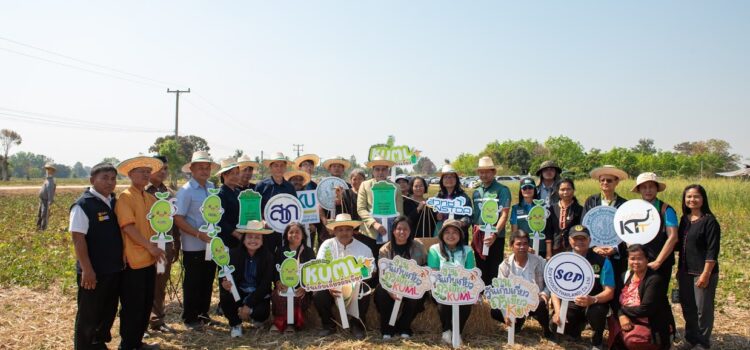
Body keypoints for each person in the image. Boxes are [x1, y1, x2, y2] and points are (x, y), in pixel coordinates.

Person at [114, 156, 166, 350]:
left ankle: (138, 342)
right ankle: (127, 345)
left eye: (147, 171)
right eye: (140, 171)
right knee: (132, 306)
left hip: (149, 260)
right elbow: (128, 227)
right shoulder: (125, 197)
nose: (145, 175)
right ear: (130, 175)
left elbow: (159, 224)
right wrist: (150, 246)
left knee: (145, 304)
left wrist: (159, 245)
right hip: (134, 260)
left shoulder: (151, 198)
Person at [70, 163, 122, 350]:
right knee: (88, 314)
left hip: (113, 269)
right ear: (92, 180)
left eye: (113, 178)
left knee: (108, 311)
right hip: (94, 272)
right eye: (104, 178)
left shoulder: (114, 202)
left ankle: (98, 343)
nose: (110, 182)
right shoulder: (83, 205)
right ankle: (84, 346)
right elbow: (78, 238)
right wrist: (87, 269)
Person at [174, 151, 220, 330]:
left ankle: (203, 314)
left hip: (211, 245)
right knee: (193, 282)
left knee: (207, 280)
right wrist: (198, 234)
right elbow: (178, 218)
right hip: (194, 244)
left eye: (207, 167)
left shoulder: (212, 187)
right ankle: (190, 318)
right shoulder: (186, 191)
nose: (204, 170)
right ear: (191, 169)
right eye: (200, 167)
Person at [550, 225, 615, 350]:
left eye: (583, 238)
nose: (579, 241)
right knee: (555, 325)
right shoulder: (562, 259)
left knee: (597, 311)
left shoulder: (602, 261)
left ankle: (597, 341)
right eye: (576, 238)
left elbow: (609, 291)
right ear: (569, 240)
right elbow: (554, 290)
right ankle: (575, 330)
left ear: (589, 240)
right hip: (571, 303)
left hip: (593, 303)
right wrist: (558, 312)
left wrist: (593, 299)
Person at [314, 214, 376, 340]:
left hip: (355, 285)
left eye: (347, 229)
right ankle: (329, 325)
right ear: (334, 231)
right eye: (340, 230)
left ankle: (357, 324)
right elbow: (319, 268)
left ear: (353, 231)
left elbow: (372, 270)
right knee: (318, 293)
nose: (344, 233)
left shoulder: (364, 249)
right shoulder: (327, 245)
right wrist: (330, 285)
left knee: (363, 290)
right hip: (331, 285)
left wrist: (356, 284)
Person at [675, 184, 721, 350]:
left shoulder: (709, 221)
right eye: (689, 197)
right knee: (688, 308)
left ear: (703, 199)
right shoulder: (684, 220)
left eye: (696, 196)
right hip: (685, 271)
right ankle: (691, 339)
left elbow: (712, 251)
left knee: (703, 310)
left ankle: (702, 342)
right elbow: (678, 245)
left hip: (702, 272)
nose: (692, 200)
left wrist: (706, 274)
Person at [609, 244, 673, 350]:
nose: (635, 262)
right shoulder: (625, 275)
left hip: (648, 321)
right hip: (628, 315)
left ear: (647, 260)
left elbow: (645, 309)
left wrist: (622, 311)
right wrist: (621, 316)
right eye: (632, 259)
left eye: (640, 259)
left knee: (634, 340)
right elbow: (615, 300)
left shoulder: (654, 280)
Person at [584, 165, 630, 310]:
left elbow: (627, 231)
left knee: (616, 286)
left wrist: (615, 248)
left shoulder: (624, 204)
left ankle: (616, 321)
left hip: (616, 254)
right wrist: (594, 247)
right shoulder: (591, 201)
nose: (605, 183)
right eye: (602, 180)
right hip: (595, 253)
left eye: (609, 180)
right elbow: (584, 226)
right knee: (595, 285)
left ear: (616, 182)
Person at [493, 230, 553, 339]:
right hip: (515, 303)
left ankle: (547, 329)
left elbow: (550, 282)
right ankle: (518, 322)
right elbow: (500, 292)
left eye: (525, 244)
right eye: (518, 244)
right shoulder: (504, 266)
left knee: (540, 303)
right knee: (494, 311)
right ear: (511, 246)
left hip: (535, 301)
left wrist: (545, 294)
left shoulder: (539, 261)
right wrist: (506, 312)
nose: (522, 247)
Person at [219, 221, 274, 338]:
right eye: (249, 237)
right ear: (243, 239)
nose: (253, 240)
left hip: (257, 294)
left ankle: (251, 315)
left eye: (257, 237)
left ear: (262, 240)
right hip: (238, 292)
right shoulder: (232, 255)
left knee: (262, 312)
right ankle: (235, 324)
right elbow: (224, 276)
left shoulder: (268, 257)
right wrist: (225, 284)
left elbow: (265, 285)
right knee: (225, 296)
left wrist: (248, 305)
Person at [374, 216, 427, 339]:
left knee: (419, 293)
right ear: (393, 231)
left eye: (405, 229)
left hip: (412, 285)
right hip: (391, 285)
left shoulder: (418, 246)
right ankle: (387, 328)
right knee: (381, 291)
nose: (402, 232)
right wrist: (390, 290)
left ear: (410, 231)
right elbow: (383, 274)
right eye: (399, 229)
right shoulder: (385, 250)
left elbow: (425, 267)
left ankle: (404, 326)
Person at [144, 155, 180, 334]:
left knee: (160, 284)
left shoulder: (171, 194)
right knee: (142, 285)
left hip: (165, 246)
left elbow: (175, 222)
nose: (164, 172)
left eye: (166, 168)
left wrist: (176, 245)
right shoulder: (141, 192)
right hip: (144, 247)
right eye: (160, 168)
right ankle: (140, 324)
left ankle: (158, 319)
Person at [427, 219, 476, 346]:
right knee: (443, 299)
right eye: (447, 232)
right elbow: (433, 273)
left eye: (455, 232)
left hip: (461, 287)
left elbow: (471, 273)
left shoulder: (468, 250)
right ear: (442, 234)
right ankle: (446, 330)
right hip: (440, 286)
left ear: (460, 235)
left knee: (467, 301)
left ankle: (457, 332)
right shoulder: (434, 249)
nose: (451, 235)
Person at [470, 156, 511, 286]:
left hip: (495, 236)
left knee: (494, 268)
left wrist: (495, 234)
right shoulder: (476, 192)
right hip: (479, 235)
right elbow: (475, 216)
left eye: (488, 171)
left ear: (494, 172)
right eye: (481, 172)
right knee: (481, 268)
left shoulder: (502, 190)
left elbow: (504, 215)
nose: (484, 174)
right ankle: (482, 298)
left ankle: (493, 300)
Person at [631, 172, 678, 281]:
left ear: (657, 189)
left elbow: (673, 237)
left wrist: (658, 261)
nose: (648, 190)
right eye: (644, 187)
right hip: (638, 263)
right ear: (639, 190)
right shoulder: (632, 209)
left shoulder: (666, 210)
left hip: (661, 263)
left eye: (651, 186)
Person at [270, 223, 315, 332]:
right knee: (278, 296)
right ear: (286, 235)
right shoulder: (280, 250)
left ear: (303, 236)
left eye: (297, 232)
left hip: (301, 288)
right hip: (284, 286)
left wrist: (305, 287)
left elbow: (313, 271)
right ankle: (280, 323)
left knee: (297, 298)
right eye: (291, 232)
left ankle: (292, 325)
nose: (294, 234)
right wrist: (277, 282)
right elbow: (275, 269)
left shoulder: (308, 251)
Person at [254, 152, 296, 254]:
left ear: (285, 168)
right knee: (267, 258)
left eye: (282, 165)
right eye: (276, 165)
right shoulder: (261, 186)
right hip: (267, 231)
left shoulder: (290, 187)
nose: (279, 168)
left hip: (285, 231)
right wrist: (262, 221)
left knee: (284, 257)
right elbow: (255, 208)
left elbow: (295, 209)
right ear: (270, 168)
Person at [357, 156, 404, 244]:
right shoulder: (365, 185)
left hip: (390, 233)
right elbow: (361, 209)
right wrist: (374, 224)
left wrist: (395, 228)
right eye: (377, 169)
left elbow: (399, 212)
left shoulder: (396, 187)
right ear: (373, 171)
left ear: (388, 171)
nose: (380, 172)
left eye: (383, 169)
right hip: (369, 233)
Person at [315, 157, 355, 245]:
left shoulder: (348, 186)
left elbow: (350, 206)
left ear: (343, 169)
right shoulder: (322, 185)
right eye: (334, 166)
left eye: (339, 166)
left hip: (343, 225)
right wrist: (325, 222)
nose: (337, 168)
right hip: (326, 225)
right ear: (329, 168)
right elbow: (319, 205)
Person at [510, 177, 549, 257]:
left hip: (541, 248)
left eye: (530, 187)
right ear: (521, 190)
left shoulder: (543, 207)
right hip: (523, 249)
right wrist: (526, 247)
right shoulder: (515, 208)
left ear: (535, 189)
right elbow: (515, 232)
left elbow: (548, 229)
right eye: (524, 188)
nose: (527, 190)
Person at [544, 178, 583, 257]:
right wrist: (548, 253)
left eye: (568, 189)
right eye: (562, 189)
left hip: (574, 249)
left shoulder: (580, 209)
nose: (565, 192)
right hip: (555, 249)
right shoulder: (551, 209)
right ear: (558, 191)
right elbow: (549, 231)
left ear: (573, 190)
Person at [433, 164, 472, 237]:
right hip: (441, 233)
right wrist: (437, 215)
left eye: (452, 176)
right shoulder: (437, 197)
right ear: (442, 180)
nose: (449, 179)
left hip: (458, 234)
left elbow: (469, 217)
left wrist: (461, 222)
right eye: (446, 177)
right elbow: (432, 215)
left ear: (456, 179)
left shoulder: (463, 197)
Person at [215, 158, 243, 250]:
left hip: (241, 238)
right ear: (224, 175)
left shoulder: (238, 192)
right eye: (232, 173)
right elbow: (220, 221)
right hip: (227, 240)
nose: (235, 176)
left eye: (237, 173)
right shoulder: (220, 194)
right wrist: (237, 234)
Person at [37, 162, 56, 230]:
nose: (47, 171)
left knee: (44, 215)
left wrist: (50, 202)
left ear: (52, 171)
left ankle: (43, 229)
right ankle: (38, 227)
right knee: (39, 214)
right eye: (47, 169)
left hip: (46, 201)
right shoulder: (47, 179)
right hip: (42, 199)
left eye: (49, 169)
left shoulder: (51, 181)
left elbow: (50, 192)